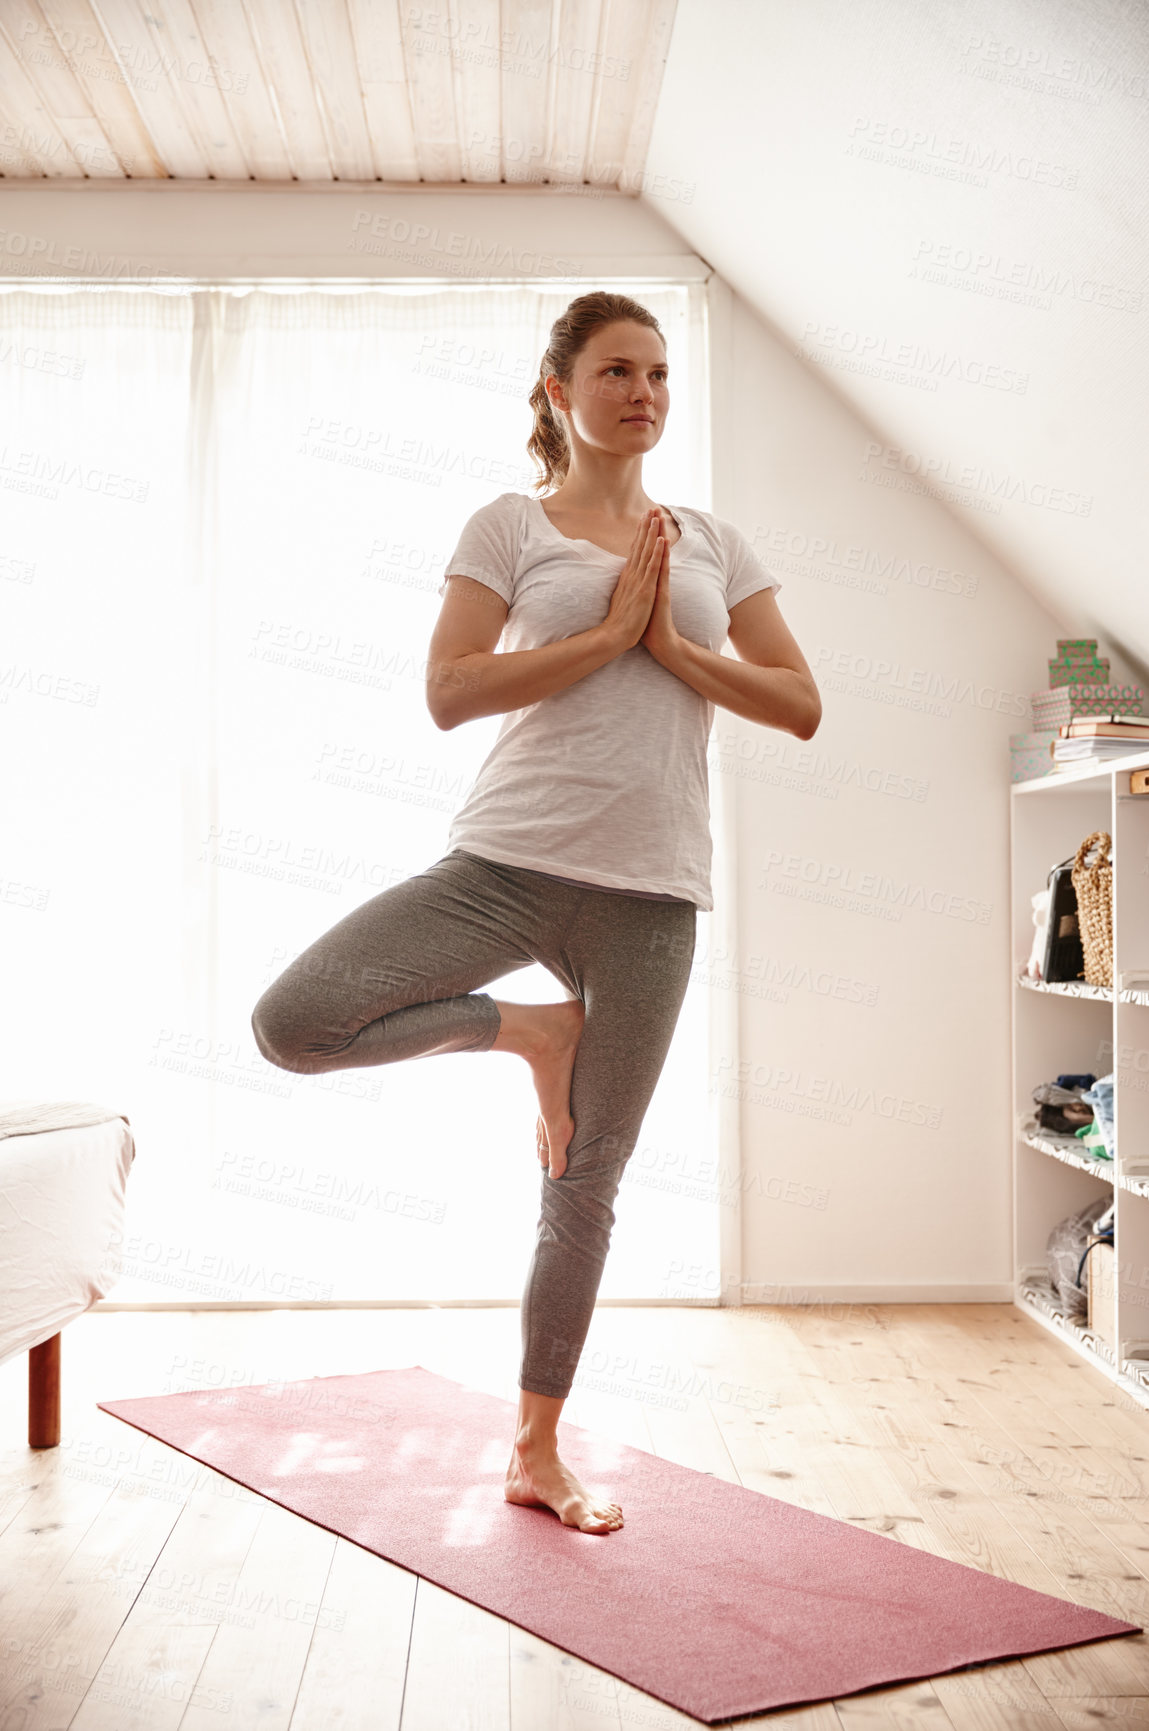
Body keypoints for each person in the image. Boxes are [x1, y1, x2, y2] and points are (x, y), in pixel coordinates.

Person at [251, 290, 821, 1534]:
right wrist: (612, 631)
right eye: (617, 370)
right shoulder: (509, 524)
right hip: (506, 860)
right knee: (296, 1024)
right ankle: (529, 1032)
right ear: (559, 389)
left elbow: (797, 702)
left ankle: (534, 1450)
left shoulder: (713, 542)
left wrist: (672, 652)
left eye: (661, 373)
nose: (645, 393)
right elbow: (451, 690)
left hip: (651, 894)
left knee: (585, 1181)